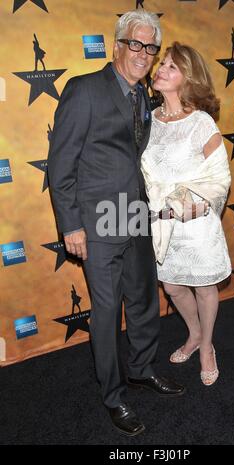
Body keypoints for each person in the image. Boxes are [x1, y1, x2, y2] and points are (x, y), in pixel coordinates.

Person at [48, 11, 184, 438]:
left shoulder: (145, 96)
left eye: (150, 47)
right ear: (117, 46)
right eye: (136, 44)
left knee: (143, 301)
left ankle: (142, 370)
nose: (144, 54)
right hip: (97, 224)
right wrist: (71, 226)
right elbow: (61, 163)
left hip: (135, 214)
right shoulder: (84, 89)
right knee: (106, 314)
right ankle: (114, 396)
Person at [141, 42, 232, 386]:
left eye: (171, 67)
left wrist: (199, 203)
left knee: (206, 287)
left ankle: (207, 347)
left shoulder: (201, 123)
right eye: (161, 63)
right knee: (173, 286)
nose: (160, 69)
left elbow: (220, 176)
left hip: (195, 222)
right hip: (162, 222)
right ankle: (193, 334)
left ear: (187, 78)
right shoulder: (148, 120)